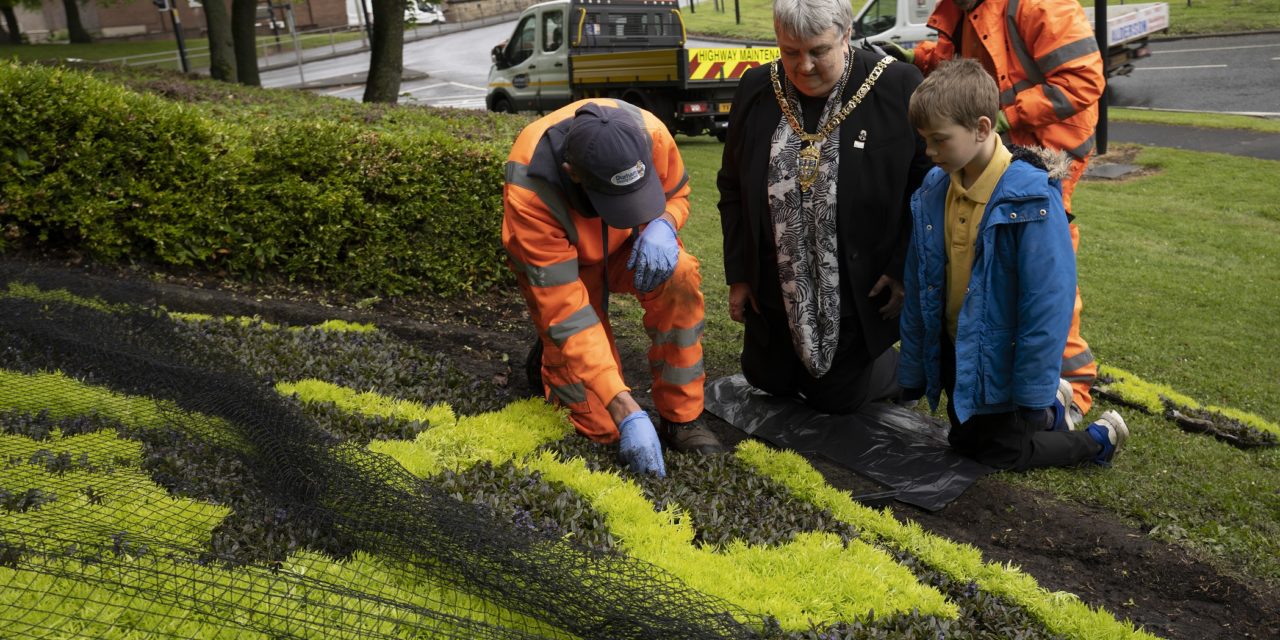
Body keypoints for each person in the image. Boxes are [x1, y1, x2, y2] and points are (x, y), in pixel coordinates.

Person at [877, 0, 1106, 428]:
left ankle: (1070, 390)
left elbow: (1083, 80)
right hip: (989, 146)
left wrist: (1006, 117)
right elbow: (965, 69)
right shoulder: (964, 8)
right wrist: (918, 58)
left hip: (1045, 148)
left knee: (1040, 267)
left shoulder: (1040, 5)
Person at [899, 58, 1126, 470]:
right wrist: (915, 366)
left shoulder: (1033, 200)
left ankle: (1097, 441)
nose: (929, 152)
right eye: (924, 140)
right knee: (965, 438)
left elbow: (1047, 302)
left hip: (1004, 358)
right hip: (958, 349)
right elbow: (920, 281)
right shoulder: (935, 187)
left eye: (939, 140)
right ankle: (1051, 411)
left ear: (982, 128)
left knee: (999, 452)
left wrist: (1031, 388)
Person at [718, 0, 931, 415]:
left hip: (859, 285)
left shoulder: (897, 85)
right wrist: (740, 275)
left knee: (836, 399)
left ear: (846, 35)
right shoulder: (758, 87)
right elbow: (731, 187)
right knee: (767, 380)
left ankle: (903, 367)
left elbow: (925, 187)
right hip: (777, 281)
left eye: (818, 51)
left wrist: (901, 266)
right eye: (790, 52)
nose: (804, 66)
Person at [503, 99, 725, 478]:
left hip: (634, 247)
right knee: (602, 428)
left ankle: (682, 417)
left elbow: (677, 193)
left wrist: (666, 223)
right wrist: (624, 410)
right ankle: (553, 352)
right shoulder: (530, 191)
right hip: (566, 269)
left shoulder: (651, 133)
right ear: (573, 174)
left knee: (680, 275)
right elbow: (566, 311)